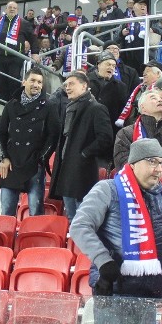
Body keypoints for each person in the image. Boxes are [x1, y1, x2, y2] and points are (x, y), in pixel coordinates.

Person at [72, 138, 162, 298]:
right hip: (114, 291)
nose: (159, 170)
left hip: (154, 295)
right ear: (133, 163)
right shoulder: (107, 189)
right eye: (152, 162)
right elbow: (80, 226)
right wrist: (103, 261)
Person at [49, 71, 113, 221]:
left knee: (84, 219)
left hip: (82, 170)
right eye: (65, 85)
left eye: (71, 84)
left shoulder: (96, 108)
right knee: (71, 219)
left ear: (84, 86)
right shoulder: (69, 108)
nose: (67, 88)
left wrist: (84, 154)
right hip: (66, 170)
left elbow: (105, 138)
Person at [0, 67, 60, 217]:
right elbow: (1, 134)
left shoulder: (49, 106)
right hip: (11, 164)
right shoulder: (10, 105)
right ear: (24, 81)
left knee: (36, 212)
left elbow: (53, 136)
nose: (36, 85)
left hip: (34, 164)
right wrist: (3, 157)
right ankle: (7, 240)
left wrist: (41, 159)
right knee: (6, 212)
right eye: (33, 80)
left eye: (39, 82)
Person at [113, 89, 162, 192]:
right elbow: (122, 162)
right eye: (153, 98)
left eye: (161, 100)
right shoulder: (126, 133)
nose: (160, 101)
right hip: (134, 191)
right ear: (143, 107)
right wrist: (150, 173)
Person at [0, 0, 39, 99]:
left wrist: (35, 53)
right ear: (5, 9)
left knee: (13, 82)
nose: (12, 9)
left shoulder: (24, 23)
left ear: (17, 10)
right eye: (10, 7)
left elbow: (33, 38)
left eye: (14, 8)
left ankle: (13, 104)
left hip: (15, 58)